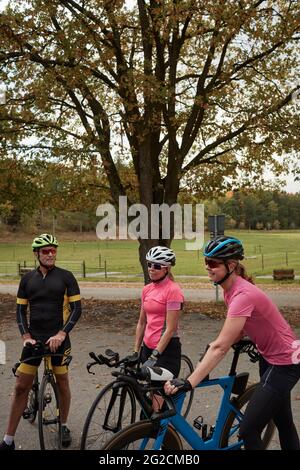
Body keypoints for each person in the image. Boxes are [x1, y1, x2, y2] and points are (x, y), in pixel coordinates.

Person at [165, 235, 300, 450]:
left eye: (213, 263)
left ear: (231, 265)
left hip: (285, 363)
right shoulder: (232, 289)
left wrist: (190, 382)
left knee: (248, 430)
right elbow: (234, 333)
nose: (207, 267)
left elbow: (221, 348)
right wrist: (210, 351)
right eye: (205, 261)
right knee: (283, 421)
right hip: (271, 358)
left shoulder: (242, 294)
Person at [0, 233, 82, 450]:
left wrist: (62, 334)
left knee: (62, 382)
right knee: (20, 387)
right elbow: (19, 311)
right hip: (34, 339)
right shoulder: (27, 279)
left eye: (53, 250)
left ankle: (63, 424)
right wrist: (25, 337)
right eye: (45, 251)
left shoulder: (66, 277)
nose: (50, 254)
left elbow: (76, 309)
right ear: (36, 253)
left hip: (58, 339)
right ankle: (8, 439)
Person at [132, 246, 184, 410]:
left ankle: (163, 429)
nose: (151, 269)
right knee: (144, 392)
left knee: (155, 406)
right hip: (147, 348)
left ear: (167, 268)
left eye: (157, 266)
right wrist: (136, 351)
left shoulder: (173, 291)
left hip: (165, 350)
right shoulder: (147, 289)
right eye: (149, 264)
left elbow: (170, 329)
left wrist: (155, 356)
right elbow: (141, 322)